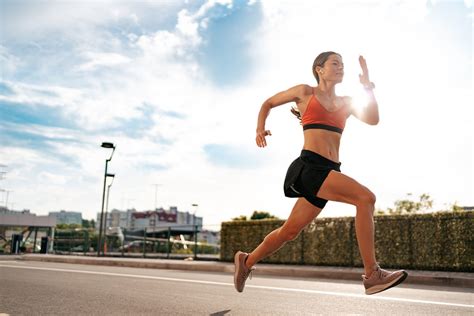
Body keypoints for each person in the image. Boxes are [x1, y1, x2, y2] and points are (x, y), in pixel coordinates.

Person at [233, 52, 408, 295]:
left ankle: (246, 261)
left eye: (343, 65)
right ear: (319, 69)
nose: (341, 68)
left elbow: (374, 119)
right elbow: (268, 103)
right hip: (310, 167)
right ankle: (372, 274)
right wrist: (259, 129)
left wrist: (367, 88)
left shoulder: (347, 102)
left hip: (329, 170)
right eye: (335, 63)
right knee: (365, 198)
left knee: (289, 231)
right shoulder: (305, 92)